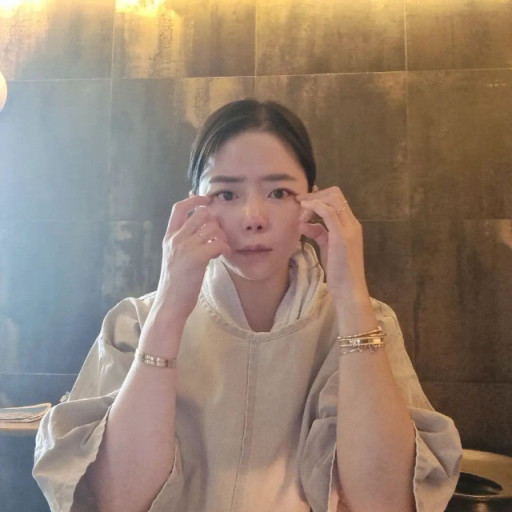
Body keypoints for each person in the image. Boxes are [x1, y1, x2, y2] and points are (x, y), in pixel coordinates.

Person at [33, 99, 462, 512]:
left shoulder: (366, 322)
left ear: (312, 203)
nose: (253, 217)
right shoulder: (136, 323)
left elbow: (385, 502)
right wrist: (168, 311)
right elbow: (119, 501)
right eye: (226, 194)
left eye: (279, 192)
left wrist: (352, 298)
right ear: (194, 205)